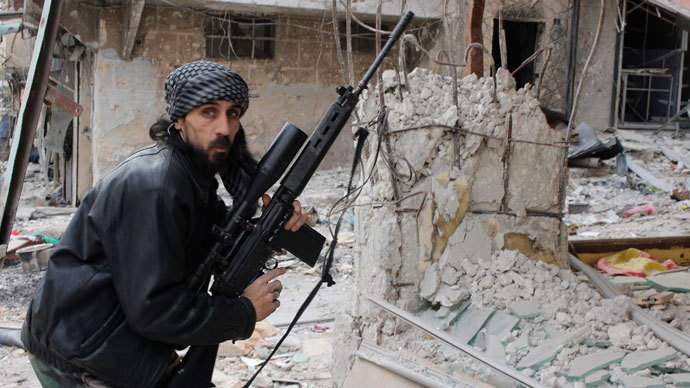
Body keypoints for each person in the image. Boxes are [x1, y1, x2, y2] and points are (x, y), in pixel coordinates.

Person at [21, 61, 309, 387]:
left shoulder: (190, 176)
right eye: (208, 112)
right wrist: (243, 313)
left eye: (233, 113)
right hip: (81, 353)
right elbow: (156, 311)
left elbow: (218, 245)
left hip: (120, 339)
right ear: (180, 119)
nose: (225, 128)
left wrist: (273, 229)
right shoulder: (156, 185)